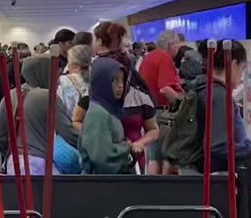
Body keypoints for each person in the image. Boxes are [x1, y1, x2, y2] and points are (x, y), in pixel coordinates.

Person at [204, 41, 251, 179]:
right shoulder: (220, 97)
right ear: (233, 65)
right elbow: (217, 145)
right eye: (242, 69)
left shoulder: (207, 90)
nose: (241, 76)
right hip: (218, 174)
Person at [20, 54, 80, 175]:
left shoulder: (11, 96)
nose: (58, 81)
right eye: (55, 76)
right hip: (42, 164)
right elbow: (67, 131)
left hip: (15, 163)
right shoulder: (48, 96)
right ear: (44, 74)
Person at [79, 57, 137, 174]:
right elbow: (102, 158)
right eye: (114, 80)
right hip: (101, 185)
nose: (120, 86)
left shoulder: (108, 109)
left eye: (122, 81)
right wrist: (127, 149)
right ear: (101, 82)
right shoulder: (98, 114)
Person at [139, 29, 184, 174]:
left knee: (153, 155)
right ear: (171, 44)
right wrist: (180, 104)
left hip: (148, 111)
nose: (178, 49)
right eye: (177, 45)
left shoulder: (148, 58)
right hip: (162, 112)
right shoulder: (164, 59)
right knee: (165, 156)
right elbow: (165, 88)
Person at [59, 45, 92, 129]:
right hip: (93, 129)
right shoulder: (97, 79)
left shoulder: (63, 82)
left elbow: (60, 110)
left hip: (71, 131)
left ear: (73, 64)